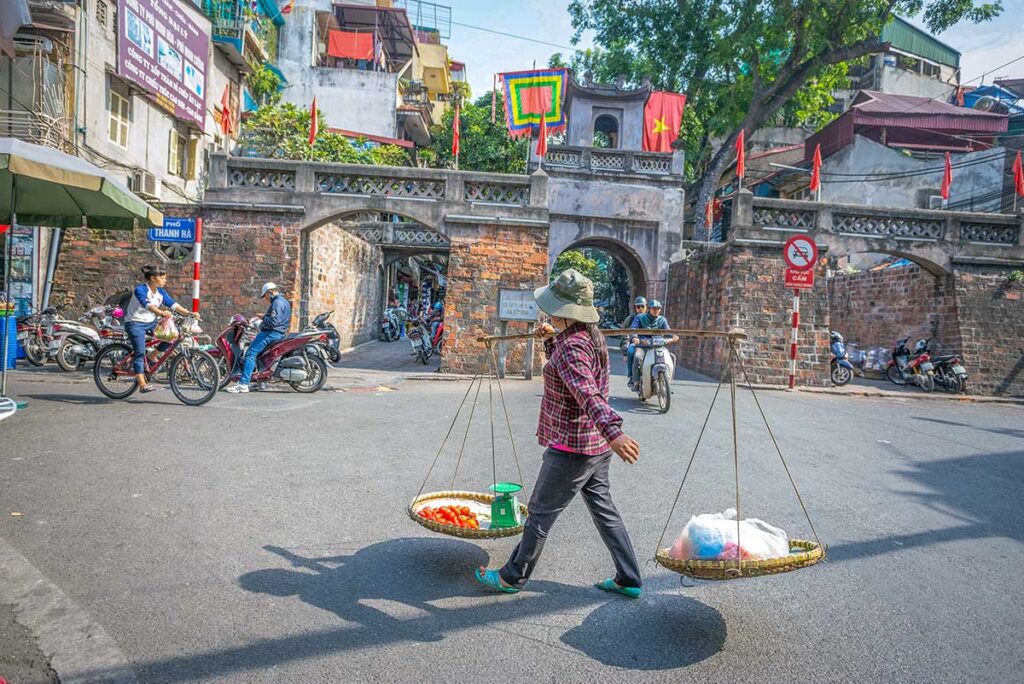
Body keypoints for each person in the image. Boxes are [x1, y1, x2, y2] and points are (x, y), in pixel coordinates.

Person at [474, 268, 644, 599]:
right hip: (594, 447)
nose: (548, 312)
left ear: (565, 311)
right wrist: (551, 338)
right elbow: (569, 372)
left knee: (538, 515)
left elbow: (586, 392)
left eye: (554, 308)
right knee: (604, 510)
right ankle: (629, 577)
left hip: (574, 447)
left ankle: (512, 577)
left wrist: (615, 431)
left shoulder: (571, 348)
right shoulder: (588, 335)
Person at [123, 264, 194, 394]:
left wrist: (189, 313)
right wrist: (161, 313)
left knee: (172, 336)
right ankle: (142, 384)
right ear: (152, 278)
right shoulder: (141, 290)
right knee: (139, 352)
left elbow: (173, 304)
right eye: (162, 278)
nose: (165, 280)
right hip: (135, 323)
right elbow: (147, 305)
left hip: (150, 322)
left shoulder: (160, 292)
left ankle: (152, 355)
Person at [226, 282, 292, 394]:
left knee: (250, 353)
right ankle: (260, 382)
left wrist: (263, 318)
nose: (266, 299)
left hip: (271, 333)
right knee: (259, 354)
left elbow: (274, 322)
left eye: (265, 296)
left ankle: (243, 384)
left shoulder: (277, 302)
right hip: (278, 333)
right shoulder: (284, 301)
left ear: (270, 292)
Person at [628, 299, 678, 390]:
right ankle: (636, 381)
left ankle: (668, 381)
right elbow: (633, 329)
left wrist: (673, 336)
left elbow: (667, 331)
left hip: (658, 346)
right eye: (654, 308)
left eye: (658, 309)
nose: (656, 311)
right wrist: (635, 337)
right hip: (643, 345)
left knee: (672, 357)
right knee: (637, 357)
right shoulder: (640, 317)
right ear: (649, 309)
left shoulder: (662, 320)